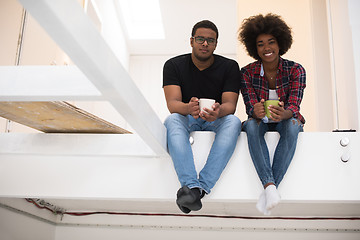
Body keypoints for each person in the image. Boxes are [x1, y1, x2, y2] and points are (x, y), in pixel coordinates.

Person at [163, 20, 242, 214]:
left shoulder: (230, 66)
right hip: (187, 117)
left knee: (233, 121)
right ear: (191, 41)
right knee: (172, 119)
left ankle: (198, 189)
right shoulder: (173, 65)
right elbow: (173, 104)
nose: (205, 44)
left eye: (210, 40)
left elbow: (230, 106)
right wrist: (188, 108)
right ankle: (193, 187)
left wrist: (218, 112)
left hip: (215, 119)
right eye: (200, 39)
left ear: (216, 44)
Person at [238, 13, 306, 215]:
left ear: (280, 43)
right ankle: (270, 188)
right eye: (260, 44)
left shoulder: (296, 70)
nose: (266, 48)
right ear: (254, 47)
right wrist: (255, 111)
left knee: (293, 124)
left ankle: (268, 189)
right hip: (261, 122)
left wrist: (284, 113)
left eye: (271, 42)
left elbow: (294, 106)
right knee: (250, 125)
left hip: (286, 120)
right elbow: (250, 106)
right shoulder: (247, 73)